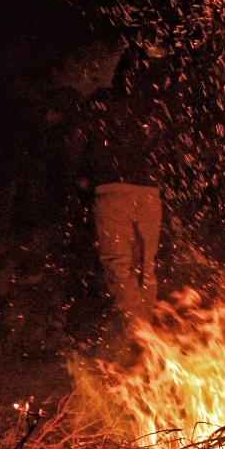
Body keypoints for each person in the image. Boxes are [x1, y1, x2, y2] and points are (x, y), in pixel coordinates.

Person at [61, 39, 165, 329]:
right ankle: (146, 334)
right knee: (145, 266)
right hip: (149, 193)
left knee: (118, 265)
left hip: (112, 191)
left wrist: (79, 175)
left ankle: (141, 334)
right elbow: (169, 147)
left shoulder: (100, 100)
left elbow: (77, 140)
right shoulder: (155, 105)